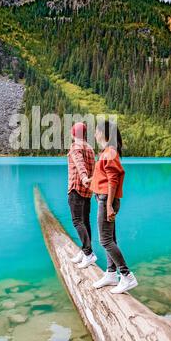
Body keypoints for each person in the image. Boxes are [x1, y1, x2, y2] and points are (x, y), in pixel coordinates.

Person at [90, 120, 138, 294]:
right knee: (111, 239)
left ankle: (127, 276)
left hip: (106, 200)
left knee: (105, 240)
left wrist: (109, 205)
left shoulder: (110, 152)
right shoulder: (107, 152)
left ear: (104, 133)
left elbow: (113, 180)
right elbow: (104, 176)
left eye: (96, 131)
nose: (95, 134)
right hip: (103, 199)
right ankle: (111, 274)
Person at [68, 122, 97, 269]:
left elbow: (80, 164)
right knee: (85, 221)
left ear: (73, 134)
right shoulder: (90, 148)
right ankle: (84, 250)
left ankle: (88, 253)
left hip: (77, 188)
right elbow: (94, 167)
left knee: (77, 221)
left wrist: (84, 178)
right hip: (87, 191)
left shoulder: (75, 146)